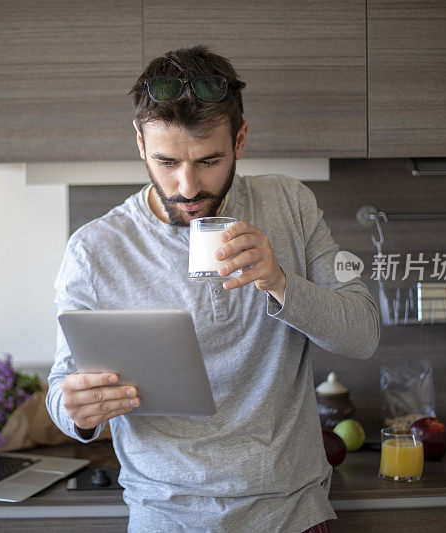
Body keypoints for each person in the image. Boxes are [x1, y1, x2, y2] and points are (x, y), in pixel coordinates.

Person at [46, 45, 380, 532]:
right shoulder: (95, 250)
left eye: (208, 161)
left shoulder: (290, 204)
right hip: (167, 517)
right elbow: (62, 389)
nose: (186, 187)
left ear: (240, 139)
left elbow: (363, 335)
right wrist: (76, 411)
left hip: (291, 514)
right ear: (140, 144)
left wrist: (281, 283)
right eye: (165, 161)